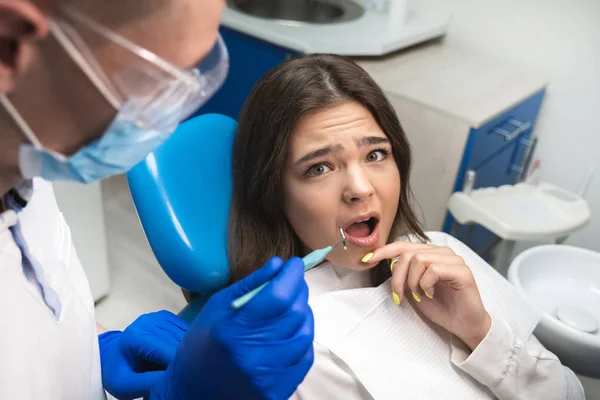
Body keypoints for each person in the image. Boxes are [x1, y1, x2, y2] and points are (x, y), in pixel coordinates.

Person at [0, 1, 313, 399]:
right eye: (152, 80)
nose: (166, 117)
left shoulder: (22, 171)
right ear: (9, 45)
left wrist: (98, 347)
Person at [228, 54, 586, 399]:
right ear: (272, 190)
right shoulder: (297, 351)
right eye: (319, 167)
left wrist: (480, 333)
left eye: (375, 154)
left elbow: (569, 392)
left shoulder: (443, 254)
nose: (361, 188)